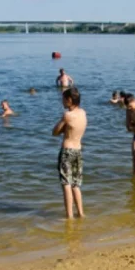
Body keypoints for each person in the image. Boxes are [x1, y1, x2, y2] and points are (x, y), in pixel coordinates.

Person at [52, 87, 87, 219]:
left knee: (66, 184)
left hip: (67, 151)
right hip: (78, 151)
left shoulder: (67, 115)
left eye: (63, 99)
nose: (62, 101)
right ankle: (81, 213)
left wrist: (63, 125)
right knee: (75, 185)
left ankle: (69, 216)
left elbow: (55, 132)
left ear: (69, 100)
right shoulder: (83, 113)